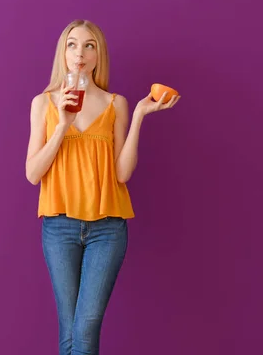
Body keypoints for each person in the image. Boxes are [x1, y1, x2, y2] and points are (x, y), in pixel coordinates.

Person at [25, 19, 181, 355]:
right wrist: (62, 126)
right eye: (72, 44)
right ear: (63, 53)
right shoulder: (43, 103)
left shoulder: (116, 104)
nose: (80, 52)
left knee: (87, 325)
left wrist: (139, 114)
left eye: (89, 45)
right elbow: (33, 173)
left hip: (107, 229)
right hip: (59, 227)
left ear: (99, 54)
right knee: (69, 328)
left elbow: (123, 174)